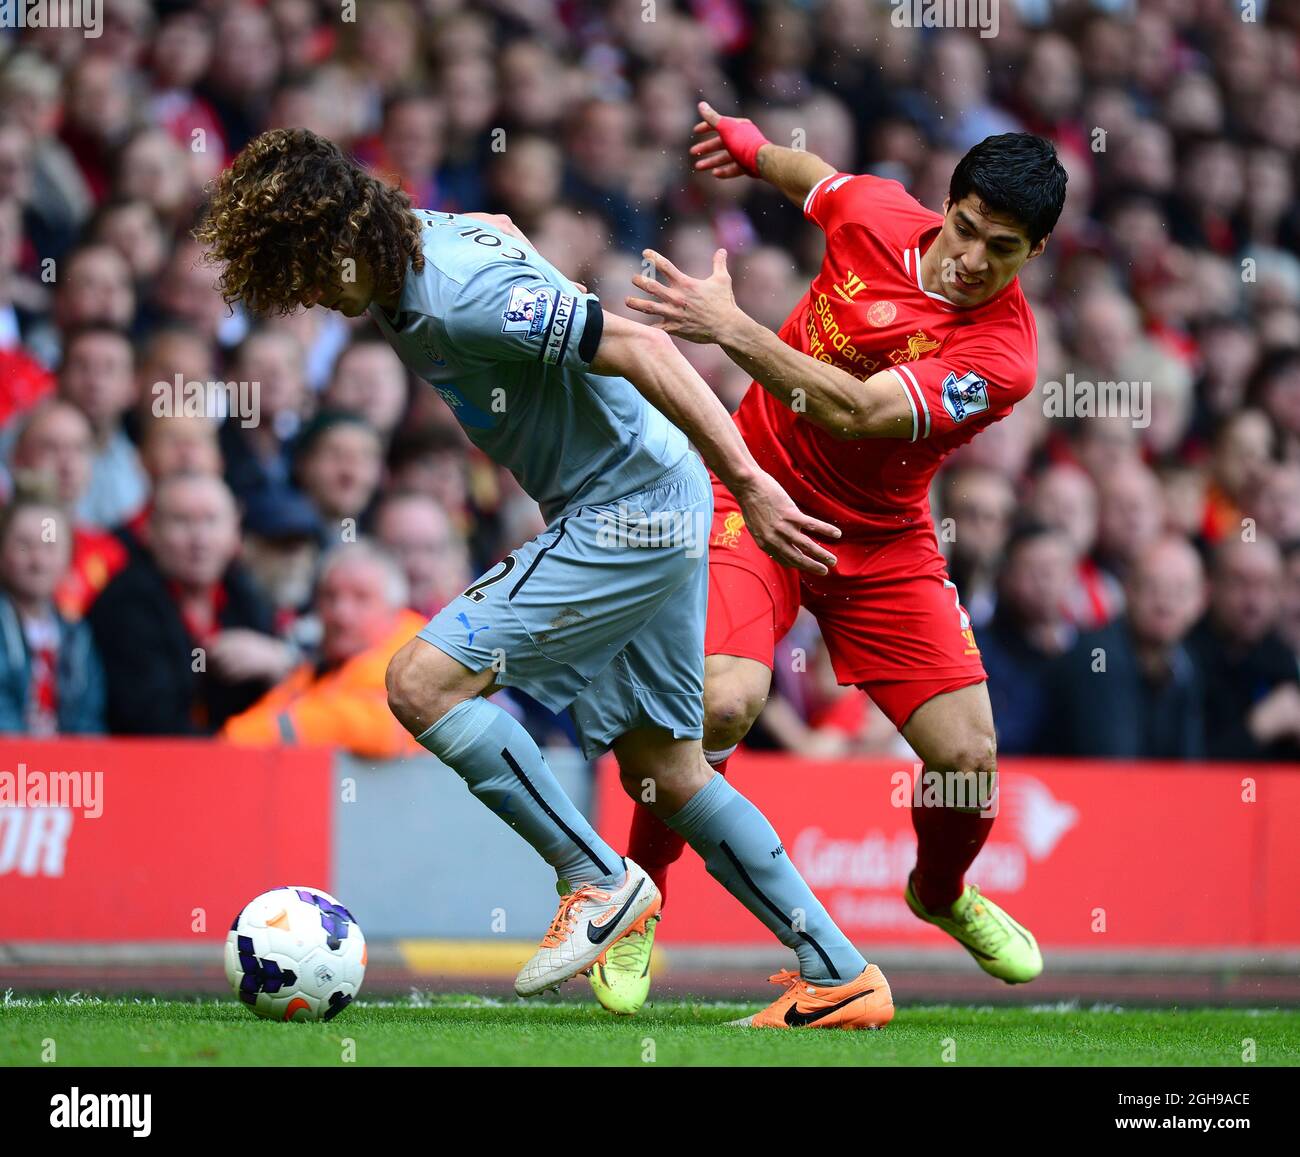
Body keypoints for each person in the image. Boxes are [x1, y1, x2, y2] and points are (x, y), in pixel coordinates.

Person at [197, 127, 889, 1029]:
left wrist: (751, 484)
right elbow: (497, 222)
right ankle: (839, 971)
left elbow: (638, 348)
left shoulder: (457, 298)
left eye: (309, 276)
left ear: (340, 239)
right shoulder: (418, 234)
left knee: (421, 681)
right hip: (646, 491)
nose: (316, 301)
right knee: (666, 773)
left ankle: (597, 880)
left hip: (630, 506)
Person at [606, 103, 1067, 1011]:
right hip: (754, 491)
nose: (973, 260)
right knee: (723, 704)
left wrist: (732, 329)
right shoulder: (876, 211)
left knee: (969, 757)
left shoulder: (1002, 355)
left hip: (882, 540)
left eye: (1003, 249)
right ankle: (631, 902)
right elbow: (809, 176)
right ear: (947, 204)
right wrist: (748, 146)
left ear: (1034, 255)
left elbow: (855, 411)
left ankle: (939, 893)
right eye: (967, 230)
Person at [86, 473, 288, 735]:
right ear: (149, 531)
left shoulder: (247, 597)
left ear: (234, 531)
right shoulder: (123, 604)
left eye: (211, 521)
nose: (199, 539)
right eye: (182, 521)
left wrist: (279, 663)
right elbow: (151, 724)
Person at [223, 541, 427, 759]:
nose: (341, 613)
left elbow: (375, 726)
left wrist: (234, 741)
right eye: (330, 596)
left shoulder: (419, 664)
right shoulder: (321, 667)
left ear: (394, 609)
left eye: (361, 598)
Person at [1043, 535, 1206, 758]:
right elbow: (1114, 770)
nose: (1165, 603)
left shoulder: (1187, 662)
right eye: (1152, 587)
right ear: (1128, 590)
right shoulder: (1096, 657)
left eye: (1180, 591)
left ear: (1200, 600)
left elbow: (1192, 768)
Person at [0, 492, 105, 734]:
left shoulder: (77, 634)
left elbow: (89, 721)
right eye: (24, 546)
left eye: (50, 547)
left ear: (69, 558)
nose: (38, 561)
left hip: (67, 770)